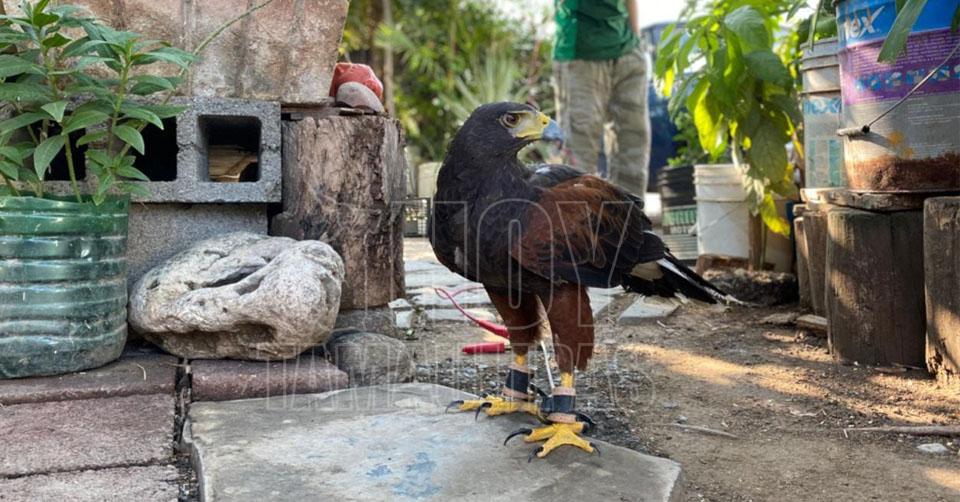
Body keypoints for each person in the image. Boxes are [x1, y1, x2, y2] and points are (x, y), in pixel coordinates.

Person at [553, 0, 652, 196]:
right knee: (578, 154)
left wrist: (635, 38)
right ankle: (578, 225)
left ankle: (630, 222)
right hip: (581, 54)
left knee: (633, 149)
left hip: (627, 50)